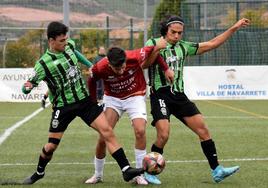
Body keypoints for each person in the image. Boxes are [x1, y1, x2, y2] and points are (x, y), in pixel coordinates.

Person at [21, 21, 144, 185]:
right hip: (63, 107)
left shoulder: (69, 46)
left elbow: (76, 53)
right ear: (51, 40)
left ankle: (126, 170)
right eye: (61, 41)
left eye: (66, 39)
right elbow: (28, 84)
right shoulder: (43, 64)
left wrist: (89, 65)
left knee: (107, 130)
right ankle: (39, 172)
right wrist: (27, 87)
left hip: (85, 102)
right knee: (51, 146)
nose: (66, 43)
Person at [145, 15, 250, 183]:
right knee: (163, 135)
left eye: (180, 33)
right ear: (166, 30)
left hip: (179, 95)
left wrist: (234, 28)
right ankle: (148, 171)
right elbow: (144, 64)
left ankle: (217, 170)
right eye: (174, 32)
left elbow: (212, 44)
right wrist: (158, 49)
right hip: (160, 94)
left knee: (203, 130)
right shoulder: (152, 43)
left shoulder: (184, 46)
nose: (177, 36)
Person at [85, 40, 174, 185]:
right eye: (117, 69)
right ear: (109, 64)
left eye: (123, 67)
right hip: (113, 98)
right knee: (103, 137)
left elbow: (154, 51)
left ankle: (140, 174)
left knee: (140, 131)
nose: (121, 71)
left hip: (135, 95)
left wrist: (166, 68)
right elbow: (91, 80)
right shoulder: (100, 67)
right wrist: (94, 101)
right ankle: (98, 175)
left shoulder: (134, 56)